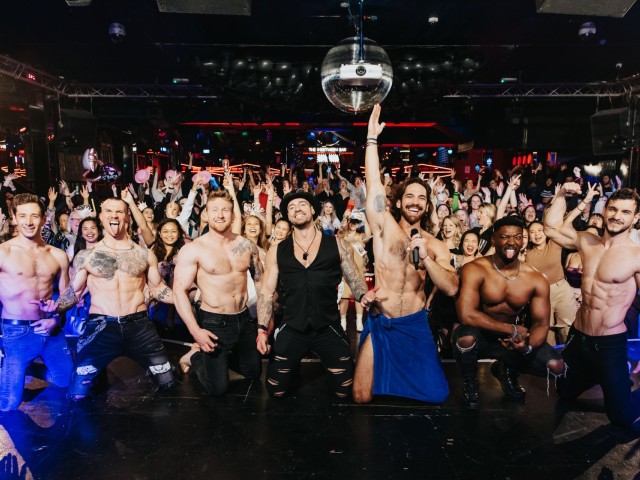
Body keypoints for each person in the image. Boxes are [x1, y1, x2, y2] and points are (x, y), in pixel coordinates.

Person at [352, 104, 458, 404]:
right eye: (409, 196)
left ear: (427, 206)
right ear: (398, 203)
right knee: (361, 396)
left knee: (437, 394)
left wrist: (425, 259)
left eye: (421, 198)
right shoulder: (382, 226)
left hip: (414, 324)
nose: (415, 202)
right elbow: (374, 184)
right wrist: (372, 139)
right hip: (382, 321)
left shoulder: (435, 245)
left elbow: (451, 287)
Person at [41, 193, 176, 399]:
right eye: (109, 211)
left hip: (139, 326)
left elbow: (158, 288)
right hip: (100, 326)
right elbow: (75, 292)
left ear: (127, 217)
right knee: (78, 393)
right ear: (101, 217)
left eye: (119, 211)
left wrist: (186, 300)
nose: (114, 215)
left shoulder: (144, 254)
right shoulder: (86, 256)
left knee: (168, 382)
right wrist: (56, 307)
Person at [256, 189, 374, 398]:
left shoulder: (338, 245)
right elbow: (266, 293)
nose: (297, 209)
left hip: (327, 325)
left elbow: (355, 280)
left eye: (302, 204)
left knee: (344, 391)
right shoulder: (277, 250)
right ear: (288, 216)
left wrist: (364, 296)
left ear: (312, 210)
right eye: (291, 207)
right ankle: (293, 368)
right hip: (293, 325)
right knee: (276, 390)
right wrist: (262, 330)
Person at [544, 185, 640, 432]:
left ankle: (613, 377)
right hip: (579, 337)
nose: (617, 216)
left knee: (621, 417)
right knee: (564, 392)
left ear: (635, 218)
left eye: (626, 212)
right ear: (605, 210)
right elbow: (550, 228)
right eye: (613, 209)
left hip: (609, 344)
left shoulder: (636, 256)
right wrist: (561, 196)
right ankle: (602, 375)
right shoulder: (588, 242)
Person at [454, 216, 565, 408]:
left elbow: (541, 323)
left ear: (523, 240)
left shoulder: (535, 278)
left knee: (557, 367)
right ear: (493, 239)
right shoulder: (474, 269)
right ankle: (470, 382)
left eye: (517, 237)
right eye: (505, 237)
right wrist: (511, 329)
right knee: (465, 339)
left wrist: (527, 346)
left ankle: (506, 370)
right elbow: (467, 315)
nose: (512, 242)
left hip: (510, 341)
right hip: (480, 333)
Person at [172, 189, 264, 395]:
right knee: (217, 388)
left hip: (244, 318)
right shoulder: (194, 249)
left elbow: (261, 284)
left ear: (233, 215)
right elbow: (179, 291)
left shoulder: (246, 245)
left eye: (225, 210)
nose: (220, 215)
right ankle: (195, 356)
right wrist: (196, 331)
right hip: (214, 321)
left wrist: (263, 325)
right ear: (206, 213)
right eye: (214, 210)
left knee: (253, 372)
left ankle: (220, 359)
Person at [0, 194, 73, 411]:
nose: (29, 222)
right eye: (22, 216)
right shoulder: (3, 252)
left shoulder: (58, 255)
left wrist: (56, 316)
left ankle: (26, 368)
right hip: (16, 331)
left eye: (34, 216)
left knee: (66, 382)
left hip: (50, 329)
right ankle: (15, 368)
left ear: (43, 219)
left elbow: (67, 295)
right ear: (14, 218)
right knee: (9, 404)